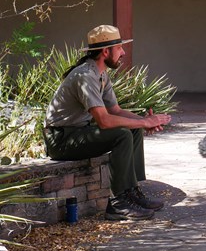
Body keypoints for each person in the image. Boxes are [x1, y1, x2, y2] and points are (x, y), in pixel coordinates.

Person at [44, 25, 172, 221]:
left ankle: (131, 193)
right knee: (121, 134)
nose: (123, 52)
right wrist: (146, 121)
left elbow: (116, 110)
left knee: (134, 130)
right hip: (61, 140)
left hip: (78, 133)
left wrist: (145, 121)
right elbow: (104, 121)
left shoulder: (101, 73)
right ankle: (118, 204)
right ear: (106, 51)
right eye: (119, 47)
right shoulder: (85, 76)